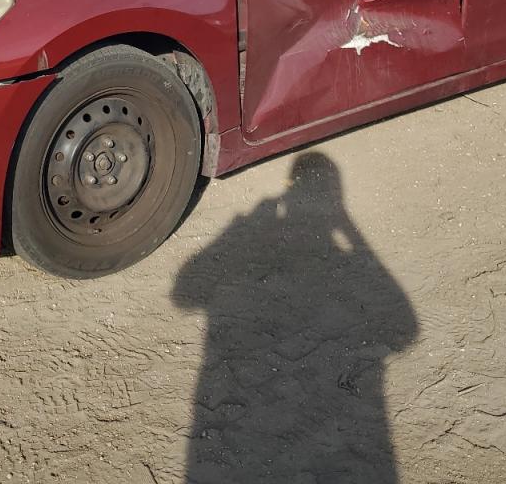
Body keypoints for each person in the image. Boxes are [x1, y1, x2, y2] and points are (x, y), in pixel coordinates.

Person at [172, 152, 418, 483]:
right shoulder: (336, 256)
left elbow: (184, 293)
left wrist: (233, 231)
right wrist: (347, 226)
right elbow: (404, 328)